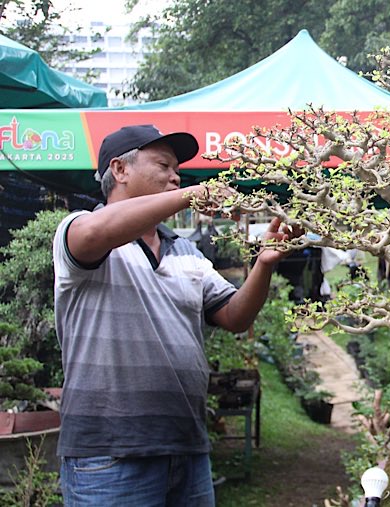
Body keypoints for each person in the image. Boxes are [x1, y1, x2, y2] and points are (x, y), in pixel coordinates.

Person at [52, 124, 298, 506]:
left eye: (178, 170)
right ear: (119, 170)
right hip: (109, 454)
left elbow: (235, 317)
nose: (175, 175)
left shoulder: (185, 252)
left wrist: (263, 265)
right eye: (164, 165)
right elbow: (93, 234)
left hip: (187, 448)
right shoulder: (81, 230)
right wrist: (189, 196)